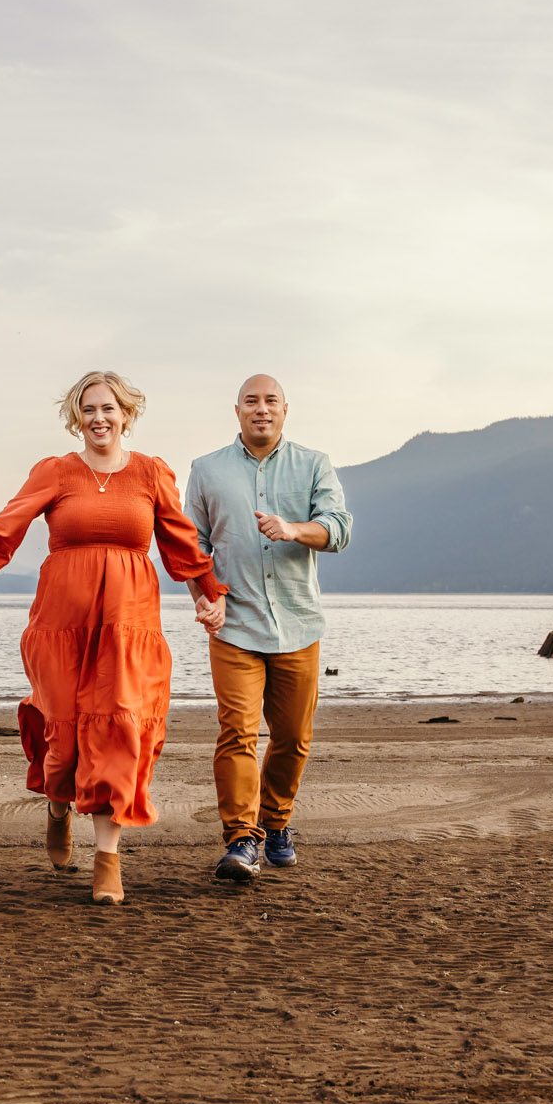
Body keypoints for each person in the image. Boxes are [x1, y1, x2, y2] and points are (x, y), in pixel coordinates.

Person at [0, 370, 227, 906]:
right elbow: (6, 525)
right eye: (89, 410)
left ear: (126, 414)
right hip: (61, 625)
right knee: (65, 737)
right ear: (77, 418)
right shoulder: (56, 472)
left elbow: (182, 542)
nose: (99, 418)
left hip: (128, 624)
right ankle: (57, 806)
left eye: (108, 408)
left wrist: (209, 594)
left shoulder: (150, 473)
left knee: (119, 726)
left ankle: (108, 860)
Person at [184, 374, 352, 883]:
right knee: (237, 733)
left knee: (293, 737)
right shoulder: (206, 470)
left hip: (298, 623)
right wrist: (204, 599)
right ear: (236, 410)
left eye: (270, 401)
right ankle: (241, 840)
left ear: (285, 410)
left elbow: (340, 528)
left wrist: (293, 529)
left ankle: (275, 823)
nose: (261, 409)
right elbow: (190, 548)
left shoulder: (314, 464)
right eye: (251, 402)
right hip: (234, 625)